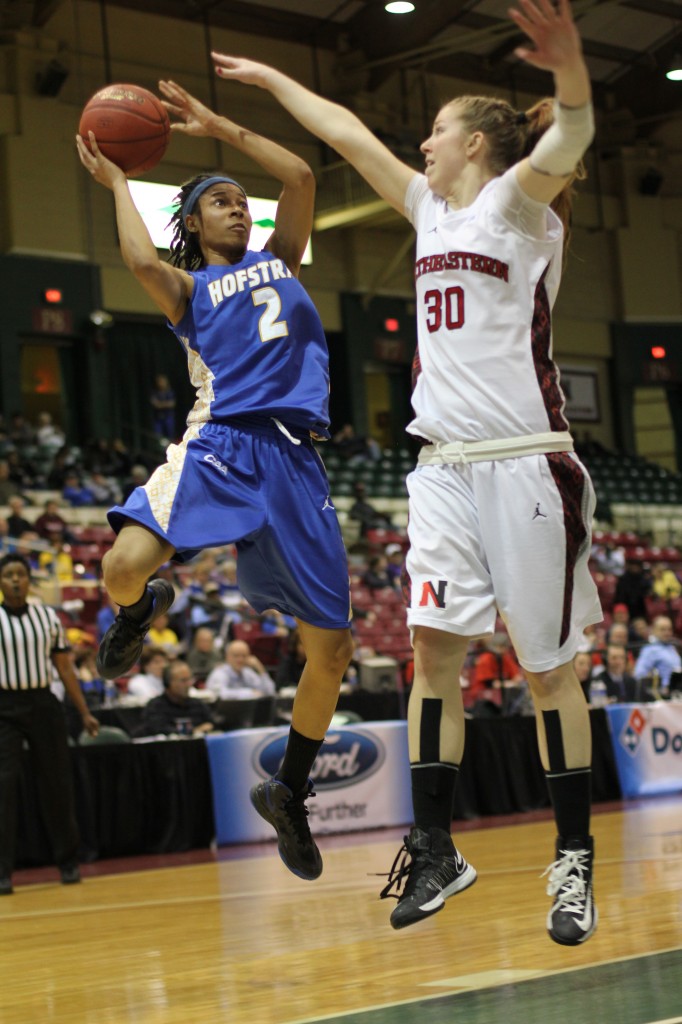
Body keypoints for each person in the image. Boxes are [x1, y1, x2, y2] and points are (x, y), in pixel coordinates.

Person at [213, 0, 600, 943]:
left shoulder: (518, 202)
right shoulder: (428, 206)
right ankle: (436, 848)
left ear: (476, 143)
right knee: (433, 655)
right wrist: (269, 85)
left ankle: (573, 863)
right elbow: (344, 132)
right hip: (439, 466)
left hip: (524, 465)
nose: (420, 146)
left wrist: (569, 70)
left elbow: (578, 128)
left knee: (548, 672)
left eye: (434, 133)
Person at [76, 78, 353, 883]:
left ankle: (290, 791)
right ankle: (140, 608)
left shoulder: (281, 260)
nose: (238, 208)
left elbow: (299, 176)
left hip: (295, 459)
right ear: (193, 224)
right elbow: (134, 258)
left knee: (331, 651)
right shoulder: (189, 290)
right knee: (120, 568)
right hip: (224, 444)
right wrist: (121, 183)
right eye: (220, 202)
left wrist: (217, 126)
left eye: (241, 200)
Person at [0, 553, 99, 894]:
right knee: (4, 785)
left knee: (57, 783)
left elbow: (65, 669)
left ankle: (68, 862)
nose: (15, 580)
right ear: (0, 581)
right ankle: (3, 872)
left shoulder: (47, 618)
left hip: (43, 703)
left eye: (20, 575)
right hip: (4, 707)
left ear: (29, 581)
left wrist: (84, 711)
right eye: (8, 575)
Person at [139, 659, 217, 737]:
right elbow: (158, 729)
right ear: (168, 683)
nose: (188, 684)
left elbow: (212, 723)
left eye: (189, 679)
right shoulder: (156, 706)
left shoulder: (197, 704)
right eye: (183, 680)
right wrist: (193, 731)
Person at [206, 639, 276, 698]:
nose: (240, 659)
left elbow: (269, 692)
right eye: (236, 656)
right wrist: (249, 693)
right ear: (227, 657)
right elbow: (219, 693)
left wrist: (260, 668)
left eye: (244, 656)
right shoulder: (219, 673)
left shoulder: (247, 673)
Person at [633, 615, 682, 695]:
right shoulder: (650, 649)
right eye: (662, 629)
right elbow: (639, 674)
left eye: (669, 629)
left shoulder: (671, 647)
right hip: (661, 694)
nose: (667, 633)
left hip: (676, 692)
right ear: (654, 630)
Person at [150, 373, 177, 439]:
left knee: (170, 434)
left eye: (162, 381)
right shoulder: (154, 392)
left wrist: (161, 404)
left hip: (168, 417)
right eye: (159, 381)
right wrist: (165, 404)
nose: (161, 383)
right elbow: (155, 404)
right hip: (158, 418)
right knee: (158, 436)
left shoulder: (170, 392)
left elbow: (172, 404)